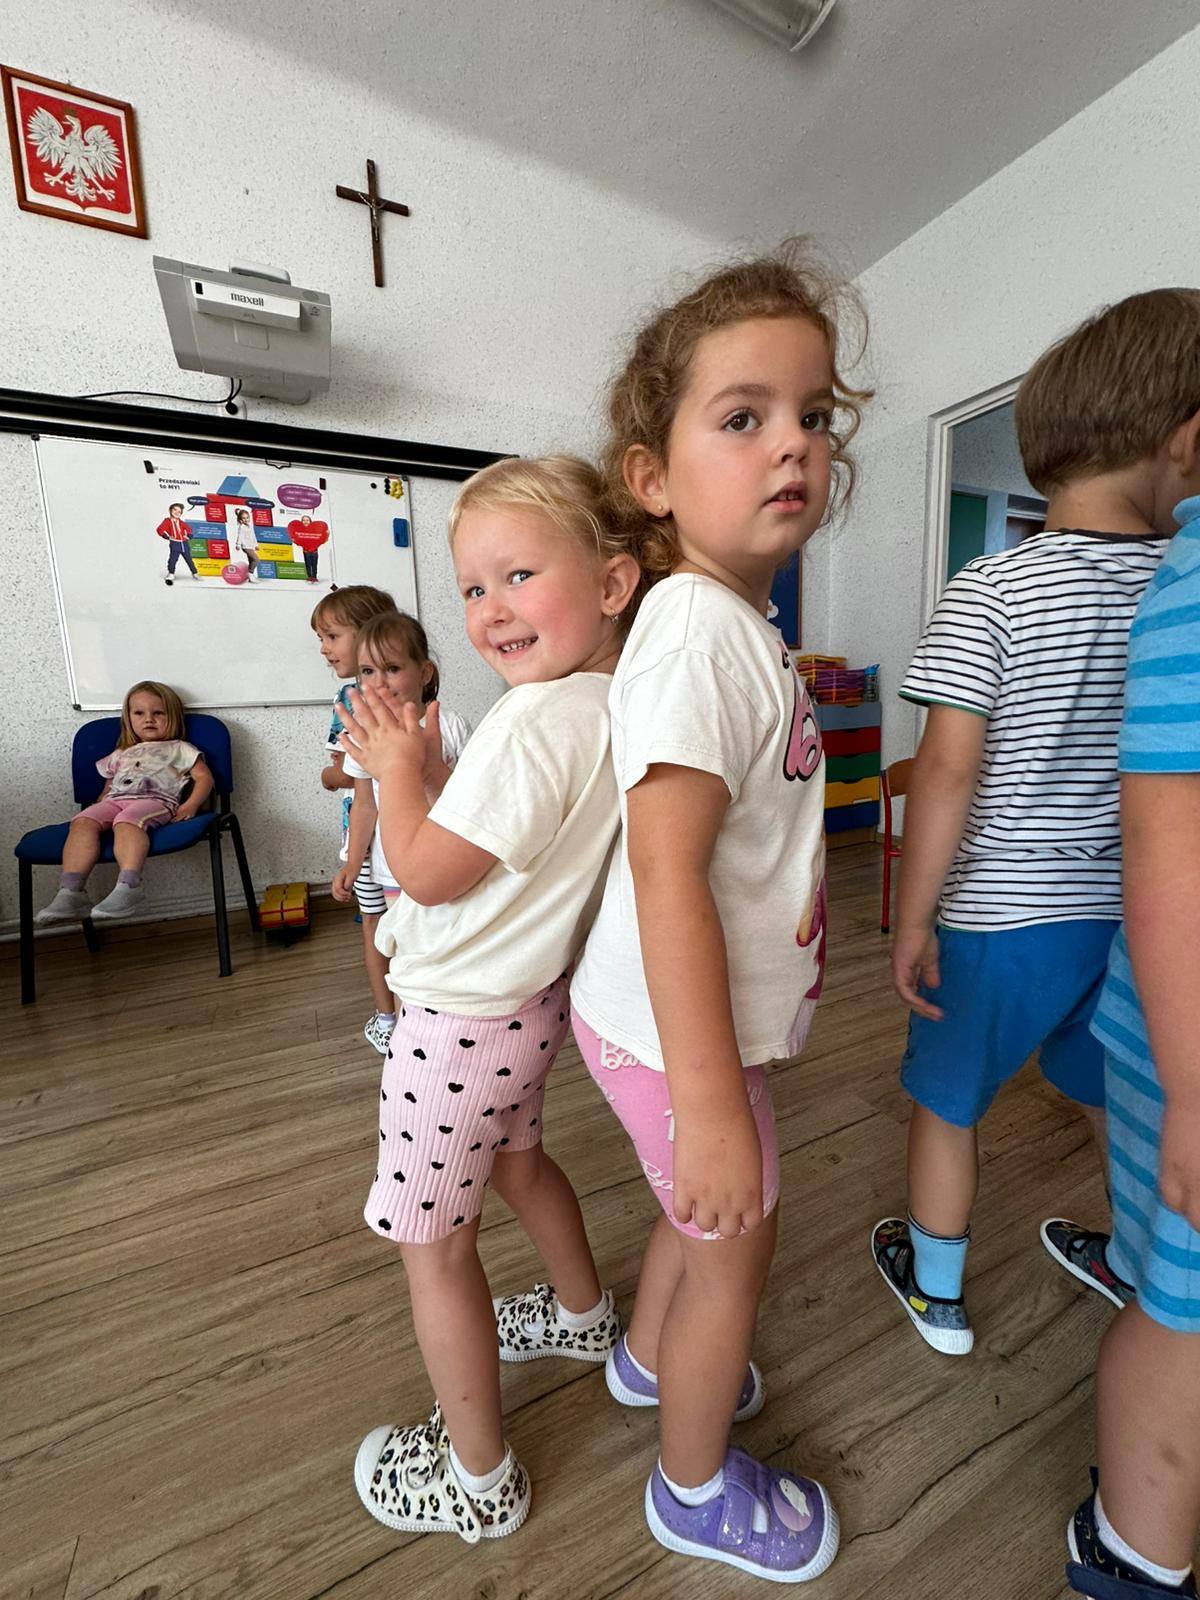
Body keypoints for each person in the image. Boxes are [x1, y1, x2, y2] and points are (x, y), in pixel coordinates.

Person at [569, 241, 870, 1583]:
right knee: (734, 1240)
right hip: (671, 1039)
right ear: (653, 477)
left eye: (815, 414)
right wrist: (706, 1100)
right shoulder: (695, 631)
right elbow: (665, 870)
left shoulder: (733, 625)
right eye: (742, 418)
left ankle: (651, 1358)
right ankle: (693, 1487)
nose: (791, 443)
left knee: (698, 1214)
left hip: (668, 1025)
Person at [873, 290, 1195, 1365]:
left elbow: (947, 770)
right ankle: (1137, 1262)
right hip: (1127, 923)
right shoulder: (1179, 589)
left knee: (949, 1103)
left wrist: (913, 919)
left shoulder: (994, 588)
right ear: (1183, 442)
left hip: (998, 919)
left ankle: (937, 1288)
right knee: (1113, 1098)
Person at [340, 455, 639, 1545]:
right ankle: (582, 1314)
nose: (492, 608)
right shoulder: (601, 705)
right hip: (521, 1010)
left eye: (519, 575)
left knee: (435, 1246)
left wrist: (392, 773)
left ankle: (477, 1479)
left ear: (613, 583)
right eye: (473, 587)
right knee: (520, 1164)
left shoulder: (532, 720)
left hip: (455, 1025)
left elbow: (424, 872)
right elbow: (501, 847)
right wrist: (427, 771)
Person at [1066, 458, 1200, 1587]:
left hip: (1052, 929)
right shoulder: (1182, 582)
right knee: (1180, 1305)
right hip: (1178, 1035)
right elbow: (1167, 842)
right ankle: (1134, 1553)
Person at [332, 611, 471, 1029]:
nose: (378, 683)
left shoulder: (450, 725)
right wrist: (353, 863)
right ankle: (405, 1027)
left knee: (446, 946)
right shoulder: (364, 734)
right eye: (367, 671)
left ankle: (447, 1024)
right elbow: (364, 806)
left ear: (423, 672)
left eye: (392, 668)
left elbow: (469, 800)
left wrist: (430, 770)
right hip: (393, 868)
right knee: (403, 952)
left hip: (446, 863)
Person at [36, 680, 211, 924]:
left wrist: (191, 804)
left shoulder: (180, 748)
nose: (148, 719)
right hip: (116, 800)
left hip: (155, 800)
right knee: (83, 821)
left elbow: (204, 778)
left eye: (158, 713)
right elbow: (110, 783)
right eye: (139, 713)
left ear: (172, 716)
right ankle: (71, 892)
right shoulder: (122, 751)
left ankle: (129, 887)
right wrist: (100, 805)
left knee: (127, 820)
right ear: (128, 718)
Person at [312, 584, 400, 1052]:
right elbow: (348, 770)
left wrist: (332, 776)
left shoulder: (359, 697)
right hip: (369, 838)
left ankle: (397, 1016)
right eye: (321, 639)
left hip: (391, 839)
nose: (324, 649)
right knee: (379, 923)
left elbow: (345, 771)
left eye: (332, 636)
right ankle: (390, 1016)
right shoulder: (354, 697)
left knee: (387, 924)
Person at [156, 502, 198, 585]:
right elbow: (159, 529)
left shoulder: (181, 522)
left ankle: (195, 573)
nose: (177, 512)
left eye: (179, 511)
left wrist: (189, 536)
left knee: (189, 560)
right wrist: (167, 537)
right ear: (170, 510)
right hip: (175, 544)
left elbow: (189, 529)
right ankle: (171, 573)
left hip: (184, 544)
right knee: (172, 560)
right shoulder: (167, 521)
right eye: (175, 510)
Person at [288, 512, 330, 582]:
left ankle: (314, 577)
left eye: (307, 520)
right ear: (301, 522)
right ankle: (309, 577)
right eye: (304, 520)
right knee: (307, 564)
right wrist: (293, 538)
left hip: (314, 551)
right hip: (306, 551)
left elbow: (323, 540)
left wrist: (327, 534)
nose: (305, 521)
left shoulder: (315, 530)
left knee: (314, 564)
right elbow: (296, 540)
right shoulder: (299, 530)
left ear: (310, 521)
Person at [233, 507, 259, 582]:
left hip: (251, 546)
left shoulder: (250, 527)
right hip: (245, 546)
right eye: (244, 518)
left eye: (247, 517)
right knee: (256, 559)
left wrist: (256, 545)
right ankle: (250, 574)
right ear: (241, 520)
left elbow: (253, 536)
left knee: (251, 561)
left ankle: (250, 577)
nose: (246, 519)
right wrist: (238, 544)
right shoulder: (242, 527)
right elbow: (240, 536)